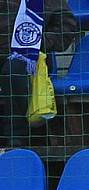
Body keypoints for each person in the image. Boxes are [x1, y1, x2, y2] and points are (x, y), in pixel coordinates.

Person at [1, 0, 77, 147]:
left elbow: (65, 32)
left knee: (14, 70)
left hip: (32, 59)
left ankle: (16, 140)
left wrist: (36, 41)